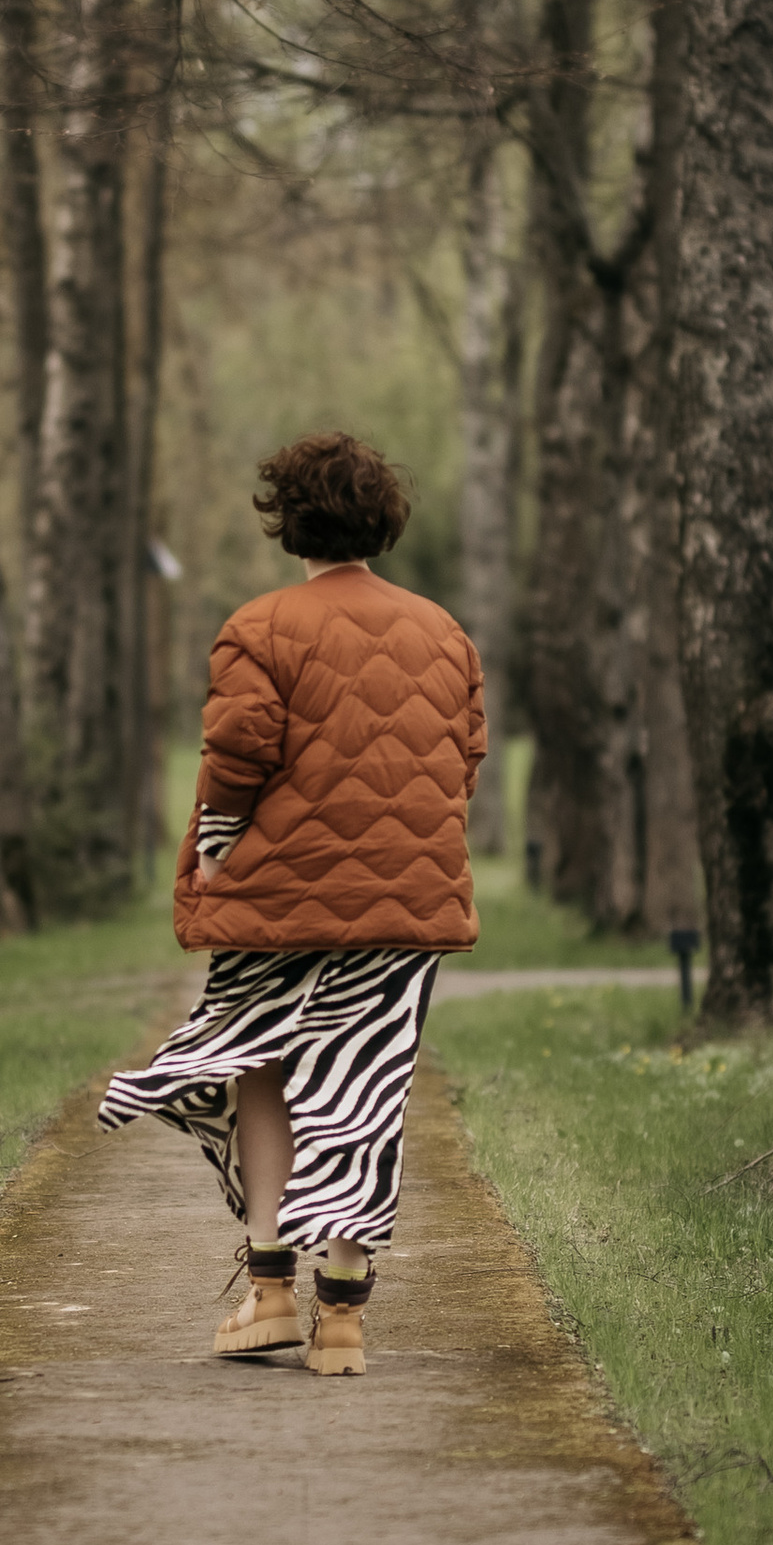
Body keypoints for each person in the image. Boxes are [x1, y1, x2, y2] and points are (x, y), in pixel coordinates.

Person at [99, 428, 486, 1378]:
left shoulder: (260, 627)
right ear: (382, 526)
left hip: (276, 902)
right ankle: (343, 1320)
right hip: (400, 910)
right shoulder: (444, 631)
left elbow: (237, 757)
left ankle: (269, 1287)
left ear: (290, 524)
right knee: (363, 1090)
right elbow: (463, 759)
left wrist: (222, 850)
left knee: (256, 1066)